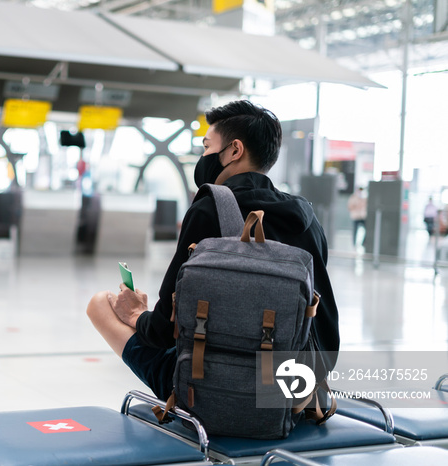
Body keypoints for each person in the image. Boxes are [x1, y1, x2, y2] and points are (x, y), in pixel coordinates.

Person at [86, 100, 340, 401]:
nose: (203, 155)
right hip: (293, 389)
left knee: (100, 303)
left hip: (213, 389)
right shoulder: (307, 218)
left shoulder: (211, 208)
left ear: (234, 150)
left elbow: (162, 331)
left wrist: (138, 313)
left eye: (207, 146)